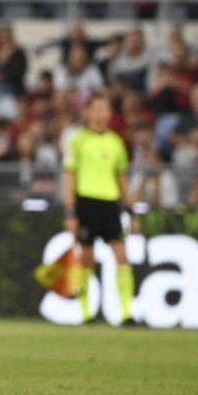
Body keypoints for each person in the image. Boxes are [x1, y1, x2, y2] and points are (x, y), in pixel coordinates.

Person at [62, 93, 139, 325]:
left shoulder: (116, 142)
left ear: (110, 113)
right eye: (95, 109)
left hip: (110, 203)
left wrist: (132, 210)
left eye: (104, 109)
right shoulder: (77, 140)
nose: (100, 113)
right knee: (87, 258)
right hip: (86, 202)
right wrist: (70, 211)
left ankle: (126, 313)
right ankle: (86, 313)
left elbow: (122, 178)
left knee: (122, 255)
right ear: (86, 112)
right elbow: (69, 176)